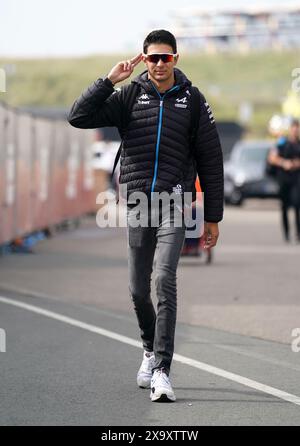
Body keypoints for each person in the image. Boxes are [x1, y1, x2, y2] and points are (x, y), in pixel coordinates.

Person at [68, 30, 224, 402]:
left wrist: (213, 216)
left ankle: (162, 371)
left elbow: (210, 159)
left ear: (176, 59)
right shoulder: (128, 96)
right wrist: (109, 81)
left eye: (165, 58)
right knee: (138, 289)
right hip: (138, 203)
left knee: (163, 279)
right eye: (152, 58)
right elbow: (78, 116)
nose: (158, 64)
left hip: (174, 202)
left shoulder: (193, 99)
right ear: (144, 59)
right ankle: (149, 348)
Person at [268, 119, 300, 242]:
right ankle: (286, 234)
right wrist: (283, 163)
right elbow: (272, 157)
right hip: (284, 178)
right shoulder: (282, 142)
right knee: (284, 207)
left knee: (297, 204)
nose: (295, 130)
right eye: (294, 127)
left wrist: (295, 164)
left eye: (297, 128)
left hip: (296, 178)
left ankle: (298, 233)